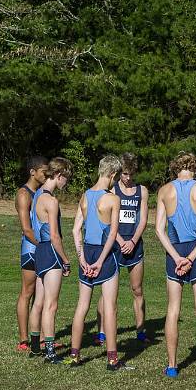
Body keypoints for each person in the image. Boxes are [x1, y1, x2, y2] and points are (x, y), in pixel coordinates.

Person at [68, 155, 133, 371]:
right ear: (113, 174)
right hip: (106, 256)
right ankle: (112, 359)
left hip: (87, 252)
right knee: (110, 307)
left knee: (82, 306)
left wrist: (83, 259)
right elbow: (113, 233)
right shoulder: (113, 199)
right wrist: (100, 261)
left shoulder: (85, 196)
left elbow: (75, 230)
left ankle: (75, 355)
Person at [155, 152, 196, 378]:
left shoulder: (164, 191)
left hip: (175, 251)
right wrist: (190, 258)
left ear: (175, 168)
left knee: (173, 310)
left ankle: (172, 365)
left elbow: (159, 230)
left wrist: (177, 257)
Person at [93, 153, 151, 346]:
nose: (128, 178)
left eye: (131, 174)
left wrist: (133, 241)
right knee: (108, 293)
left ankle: (141, 331)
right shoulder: (112, 190)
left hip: (134, 246)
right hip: (115, 246)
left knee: (137, 289)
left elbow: (143, 219)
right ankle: (102, 333)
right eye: (124, 174)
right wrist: (119, 240)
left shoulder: (142, 191)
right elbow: (107, 221)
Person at [28, 157, 73, 364]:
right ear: (58, 175)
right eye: (66, 179)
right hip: (51, 252)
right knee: (51, 305)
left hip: (40, 252)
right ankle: (50, 352)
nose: (66, 183)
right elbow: (55, 235)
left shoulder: (37, 195)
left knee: (38, 302)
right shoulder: (52, 201)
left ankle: (34, 345)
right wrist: (65, 259)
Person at [15, 156, 48, 352]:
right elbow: (27, 230)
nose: (47, 175)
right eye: (44, 171)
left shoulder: (41, 193)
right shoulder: (23, 195)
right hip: (30, 250)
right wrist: (45, 247)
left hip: (42, 247)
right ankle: (23, 339)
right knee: (27, 293)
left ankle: (43, 337)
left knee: (42, 294)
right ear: (32, 172)